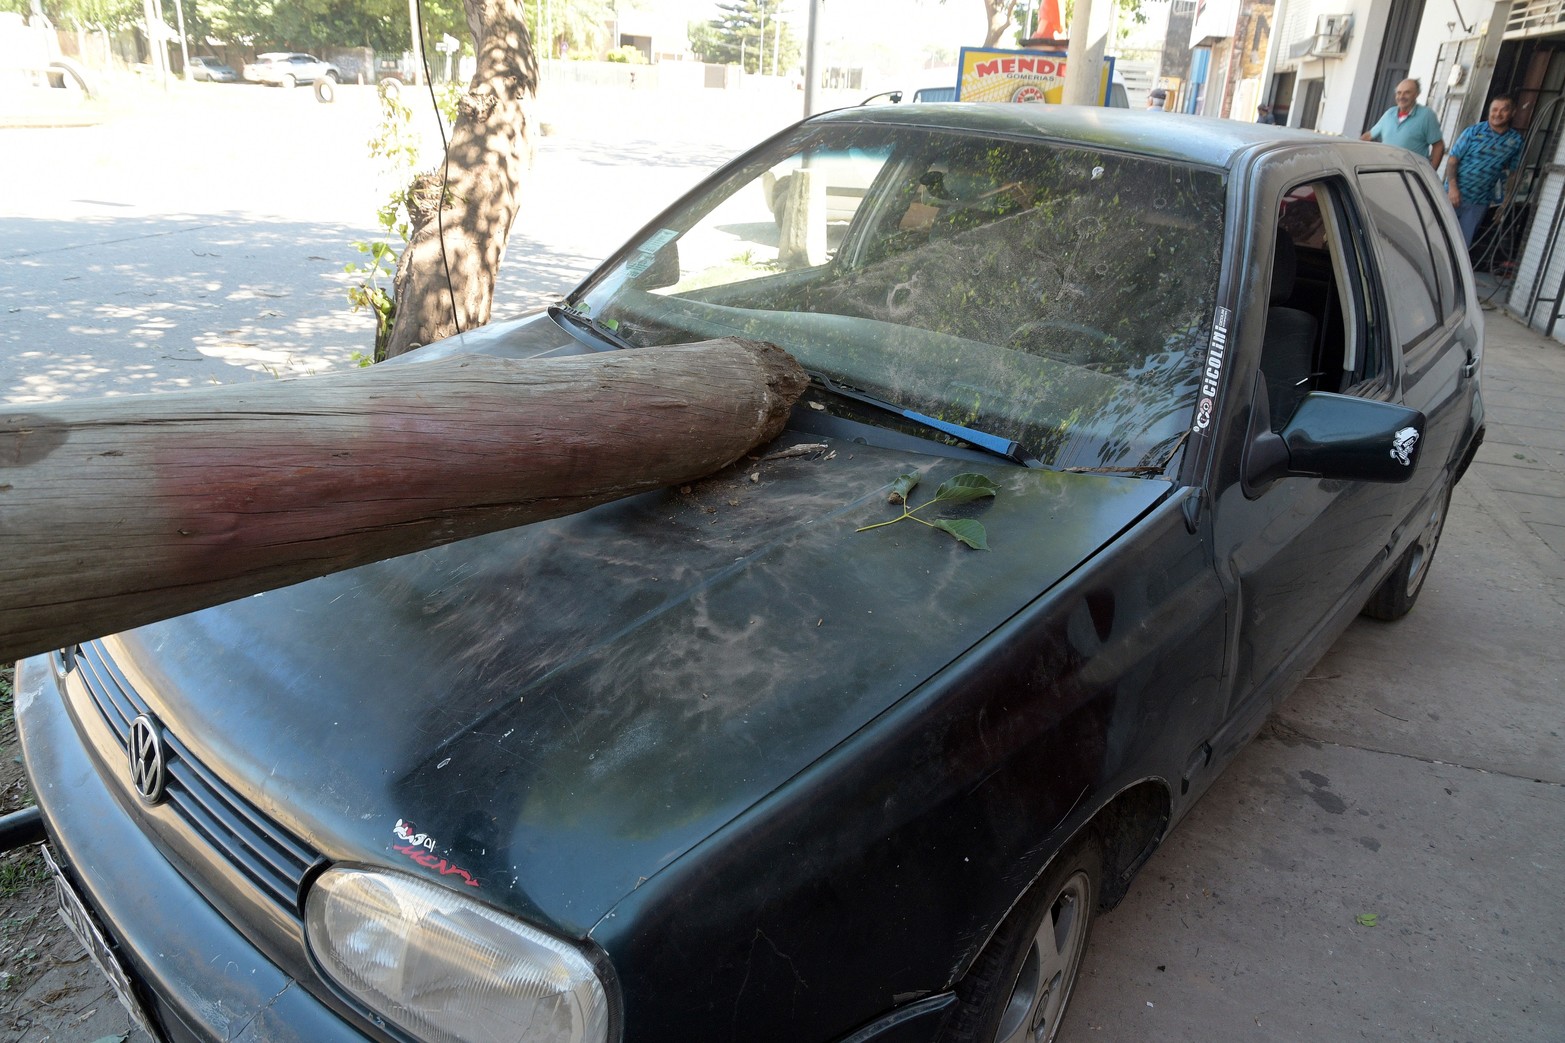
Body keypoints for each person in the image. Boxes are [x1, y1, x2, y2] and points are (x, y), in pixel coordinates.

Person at [1445, 94, 1525, 247]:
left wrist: (1505, 204)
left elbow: (1514, 175)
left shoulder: (1516, 141)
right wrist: (1453, 188)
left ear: (1513, 112)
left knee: (1461, 246)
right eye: (1494, 110)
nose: (1498, 114)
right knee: (1438, 236)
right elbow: (1452, 160)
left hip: (1479, 202)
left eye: (1503, 110)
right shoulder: (1473, 132)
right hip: (1452, 196)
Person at [1361, 78, 1445, 169]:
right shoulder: (1389, 113)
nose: (1401, 96)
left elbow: (1438, 146)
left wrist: (1430, 172)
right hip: (1384, 171)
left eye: (1407, 92)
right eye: (1399, 93)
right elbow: (1368, 136)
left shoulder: (1426, 115)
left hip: (1408, 177)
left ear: (1416, 94)